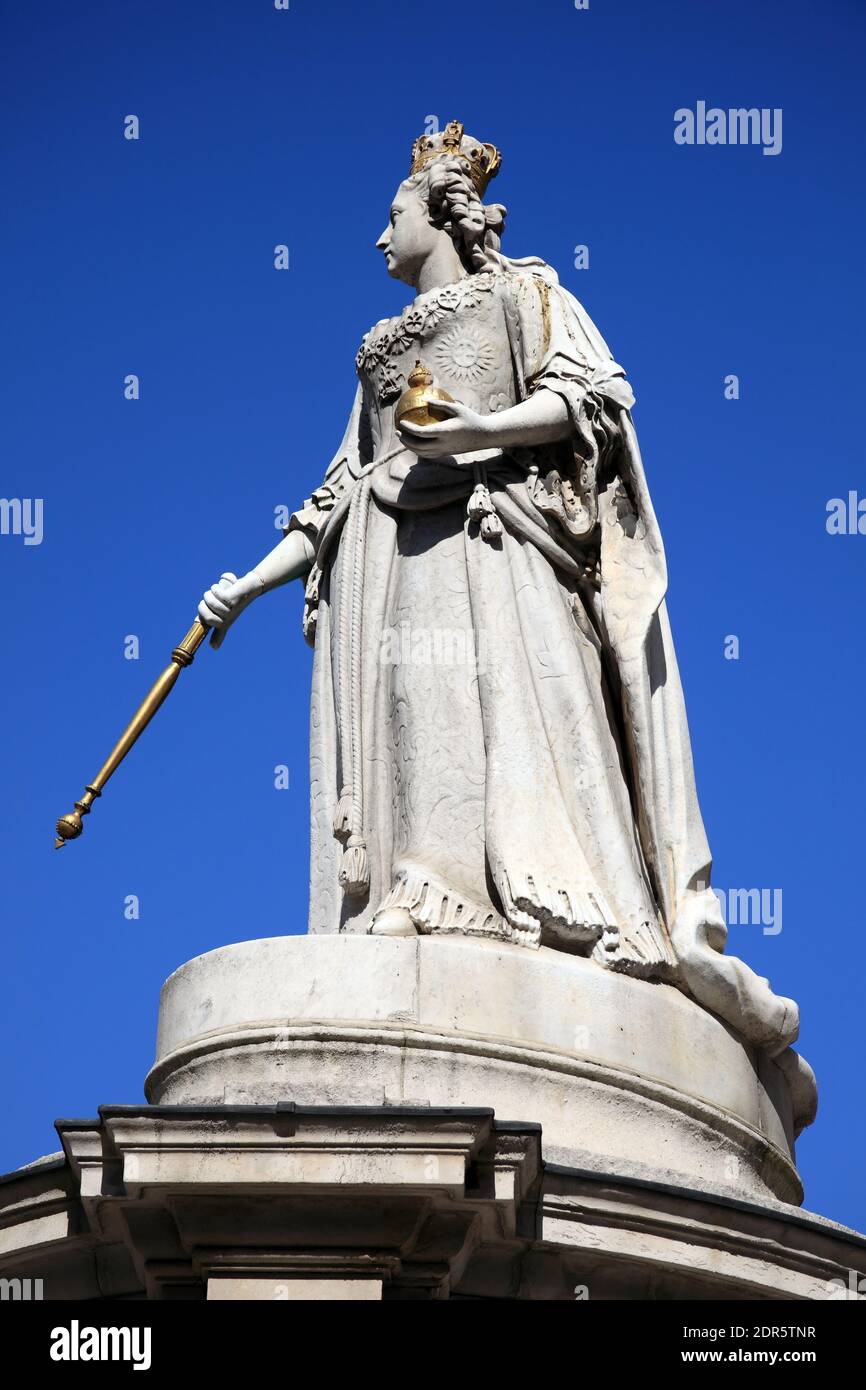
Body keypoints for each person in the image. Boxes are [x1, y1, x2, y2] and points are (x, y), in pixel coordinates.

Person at [198, 122, 798, 1054]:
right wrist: (247, 586)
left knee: (497, 717)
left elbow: (586, 398)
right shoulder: (378, 350)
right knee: (412, 718)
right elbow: (342, 485)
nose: (378, 236)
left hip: (497, 544)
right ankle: (419, 888)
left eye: (391, 214)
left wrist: (480, 428)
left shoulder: (528, 293)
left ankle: (527, 901)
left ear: (437, 212)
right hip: (393, 559)